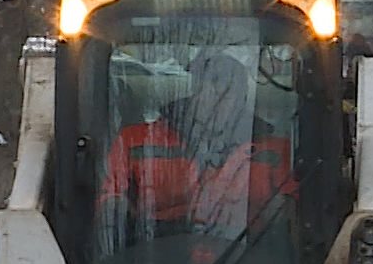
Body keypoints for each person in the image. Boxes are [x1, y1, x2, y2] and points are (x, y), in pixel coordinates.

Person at [100, 49, 294, 250]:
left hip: (247, 261)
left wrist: (281, 211)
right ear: (195, 89)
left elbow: (293, 213)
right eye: (212, 83)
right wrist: (117, 210)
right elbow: (109, 199)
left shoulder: (274, 153)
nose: (218, 96)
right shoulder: (136, 142)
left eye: (229, 89)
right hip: (153, 259)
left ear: (242, 98)